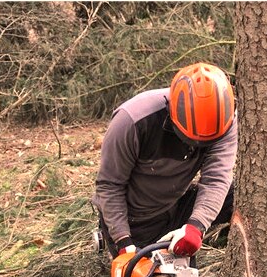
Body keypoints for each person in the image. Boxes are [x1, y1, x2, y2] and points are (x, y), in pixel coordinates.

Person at [92, 62, 238, 261]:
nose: (196, 146)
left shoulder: (224, 119)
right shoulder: (133, 121)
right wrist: (123, 241)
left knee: (240, 196)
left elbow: (216, 178)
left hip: (176, 204)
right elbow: (110, 185)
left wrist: (196, 226)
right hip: (135, 219)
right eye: (190, 140)